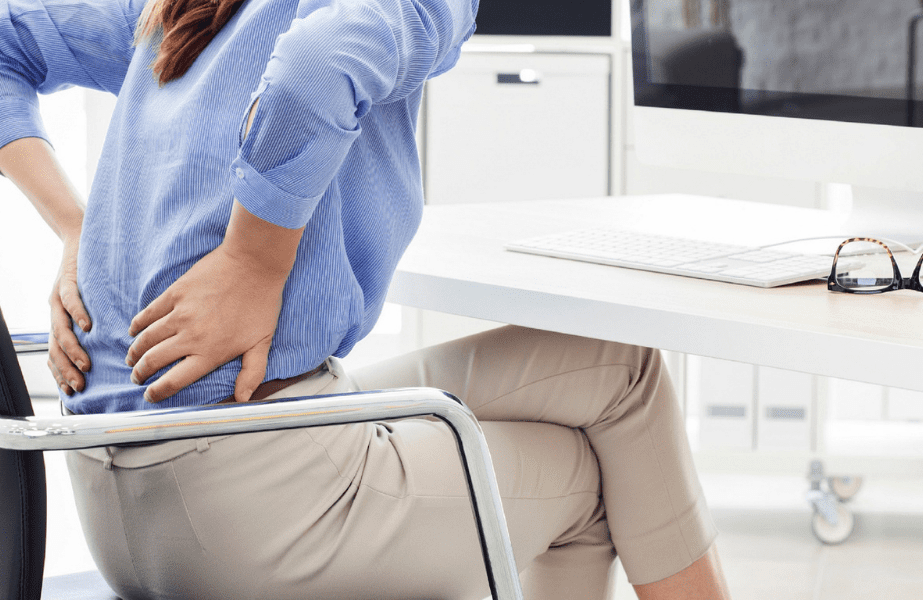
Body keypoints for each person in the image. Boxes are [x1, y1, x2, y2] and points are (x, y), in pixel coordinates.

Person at [0, 0, 734, 597]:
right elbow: (320, 63)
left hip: (109, 487)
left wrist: (78, 229)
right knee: (585, 477)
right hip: (246, 502)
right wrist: (254, 261)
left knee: (620, 369)